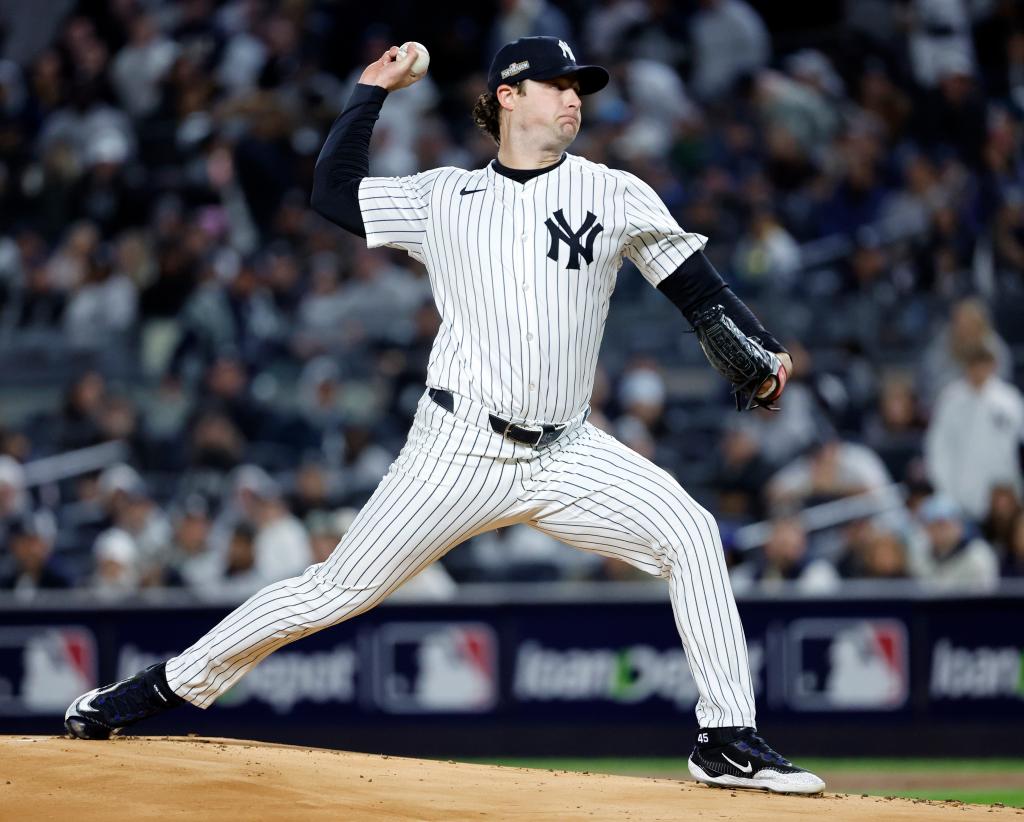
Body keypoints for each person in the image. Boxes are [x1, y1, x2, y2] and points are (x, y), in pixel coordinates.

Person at [64, 36, 823, 795]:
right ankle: (156, 690)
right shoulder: (442, 198)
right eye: (556, 84)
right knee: (333, 592)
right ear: (507, 97)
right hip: (456, 449)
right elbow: (332, 192)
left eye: (579, 86)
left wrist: (762, 347)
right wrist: (370, 90)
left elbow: (696, 290)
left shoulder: (614, 192)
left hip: (567, 451)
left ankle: (726, 738)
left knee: (690, 533)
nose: (574, 98)